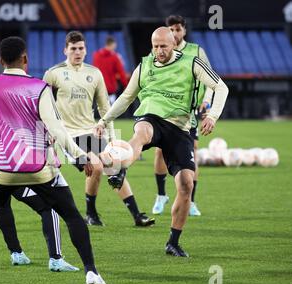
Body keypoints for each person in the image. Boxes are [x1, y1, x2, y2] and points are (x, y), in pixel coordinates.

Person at [0, 36, 106, 284]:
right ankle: (92, 272)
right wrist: (80, 155)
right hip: (39, 170)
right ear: (26, 59)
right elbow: (57, 129)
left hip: (1, 170)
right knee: (72, 215)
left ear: (0, 61)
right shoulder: (39, 88)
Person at [95, 27, 229, 257]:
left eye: (163, 46)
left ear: (174, 44)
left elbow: (221, 86)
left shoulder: (192, 62)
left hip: (179, 127)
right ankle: (120, 169)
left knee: (186, 184)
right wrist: (104, 120)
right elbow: (127, 97)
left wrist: (213, 116)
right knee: (141, 133)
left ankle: (173, 242)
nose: (158, 50)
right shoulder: (144, 65)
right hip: (151, 117)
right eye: (155, 46)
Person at [43, 31, 154, 228]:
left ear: (86, 50)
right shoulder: (53, 73)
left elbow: (105, 108)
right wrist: (48, 132)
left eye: (81, 48)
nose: (78, 52)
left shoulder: (94, 73)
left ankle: (136, 216)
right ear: (65, 50)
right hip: (68, 134)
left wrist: (111, 137)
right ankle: (91, 213)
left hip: (91, 131)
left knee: (113, 166)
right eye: (73, 49)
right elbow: (43, 106)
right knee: (97, 166)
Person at [151, 15, 213, 217]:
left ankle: (191, 200)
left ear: (184, 31)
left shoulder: (196, 51)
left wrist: (207, 102)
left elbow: (212, 79)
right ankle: (161, 195)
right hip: (164, 111)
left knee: (192, 152)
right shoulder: (161, 50)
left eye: (178, 29)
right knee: (159, 152)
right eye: (171, 29)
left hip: (188, 113)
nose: (175, 33)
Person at [92, 35, 129, 104]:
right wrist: (126, 86)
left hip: (99, 88)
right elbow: (121, 73)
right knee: (111, 110)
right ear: (113, 44)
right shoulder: (115, 57)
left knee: (101, 111)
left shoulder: (96, 55)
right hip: (110, 89)